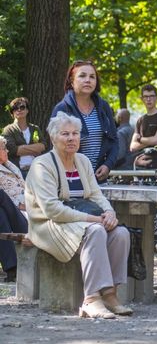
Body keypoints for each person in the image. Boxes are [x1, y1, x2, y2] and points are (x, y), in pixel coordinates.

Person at [25, 112, 132, 318]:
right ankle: (91, 299)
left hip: (78, 221)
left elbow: (96, 195)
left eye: (75, 134)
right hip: (49, 224)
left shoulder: (82, 161)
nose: (71, 138)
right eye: (65, 134)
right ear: (53, 137)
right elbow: (52, 210)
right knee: (96, 231)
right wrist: (94, 219)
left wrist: (109, 213)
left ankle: (110, 295)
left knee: (121, 234)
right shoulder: (42, 165)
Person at [51, 60, 118, 183]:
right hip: (70, 178)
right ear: (71, 81)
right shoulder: (62, 109)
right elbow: (56, 145)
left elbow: (114, 141)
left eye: (92, 77)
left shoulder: (104, 107)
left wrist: (108, 165)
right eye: (82, 76)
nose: (88, 80)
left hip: (98, 179)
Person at [0, 136, 28, 282]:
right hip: (15, 214)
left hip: (28, 214)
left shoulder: (10, 165)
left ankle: (12, 268)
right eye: (4, 148)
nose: (7, 151)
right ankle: (12, 268)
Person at [2, 97, 47, 178]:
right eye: (15, 108)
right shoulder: (8, 130)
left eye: (22, 107)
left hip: (36, 170)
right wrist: (35, 149)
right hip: (18, 173)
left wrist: (21, 148)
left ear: (27, 110)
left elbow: (43, 146)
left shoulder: (35, 128)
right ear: (12, 112)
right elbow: (13, 150)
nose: (19, 110)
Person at [129, 84, 157, 169]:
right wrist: (150, 141)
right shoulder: (140, 120)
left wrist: (139, 139)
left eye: (151, 96)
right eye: (146, 96)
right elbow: (132, 147)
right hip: (141, 163)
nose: (148, 99)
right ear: (142, 99)